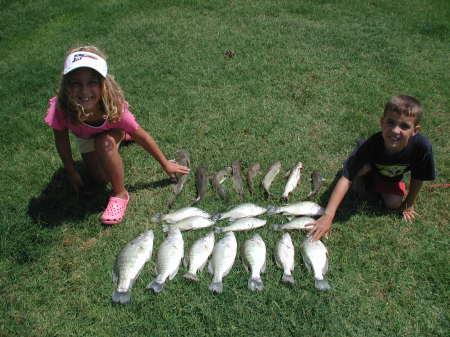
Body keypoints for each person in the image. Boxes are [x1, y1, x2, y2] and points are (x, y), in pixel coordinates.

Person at [44, 45, 189, 225]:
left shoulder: (115, 108)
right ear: (67, 86)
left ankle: (120, 194)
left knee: (104, 143)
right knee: (99, 179)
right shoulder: (61, 108)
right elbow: (62, 142)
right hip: (86, 136)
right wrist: (71, 171)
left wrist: (165, 163)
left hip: (111, 129)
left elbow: (142, 136)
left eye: (92, 82)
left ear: (103, 83)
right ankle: (123, 137)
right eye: (76, 83)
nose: (84, 90)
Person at [307, 95, 436, 241]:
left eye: (404, 126)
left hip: (390, 174)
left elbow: (418, 176)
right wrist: (328, 216)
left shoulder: (422, 147)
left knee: (393, 204)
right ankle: (362, 178)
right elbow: (346, 178)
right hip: (369, 165)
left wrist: (409, 203)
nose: (395, 130)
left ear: (415, 130)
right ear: (382, 122)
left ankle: (378, 182)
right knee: (358, 178)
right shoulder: (370, 145)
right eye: (391, 122)